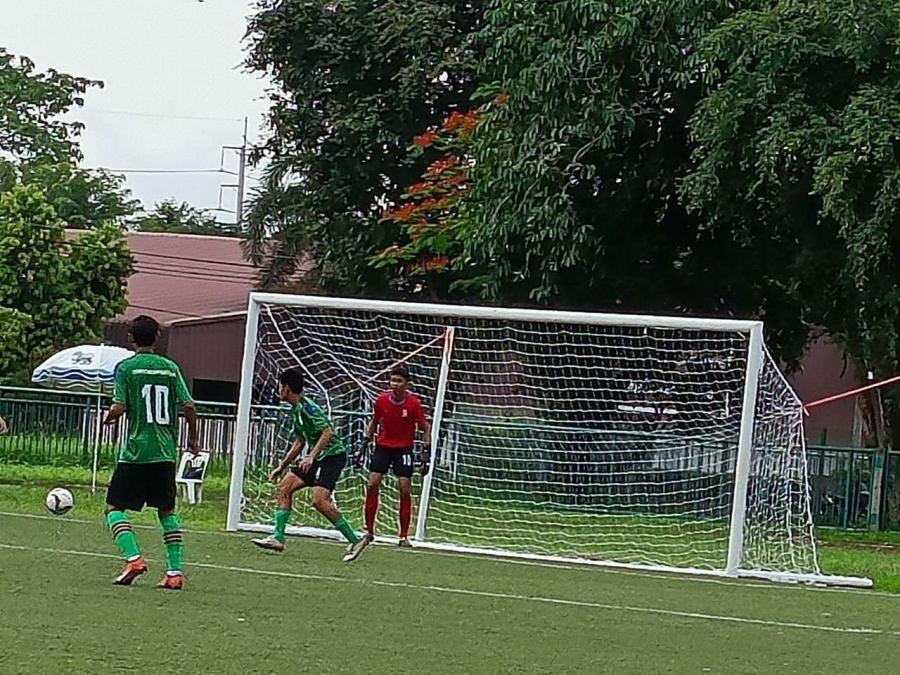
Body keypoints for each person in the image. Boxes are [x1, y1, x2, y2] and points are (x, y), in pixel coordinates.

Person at [103, 315, 199, 590]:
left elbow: (120, 406)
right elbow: (189, 406)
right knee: (167, 510)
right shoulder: (170, 368)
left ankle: (134, 559)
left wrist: (109, 417)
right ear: (157, 337)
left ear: (131, 338)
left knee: (113, 507)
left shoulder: (126, 368)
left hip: (136, 453)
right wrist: (193, 438)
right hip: (165, 453)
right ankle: (174, 573)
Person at [252, 368, 369, 562]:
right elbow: (300, 441)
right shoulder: (295, 410)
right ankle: (278, 538)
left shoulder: (308, 408)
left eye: (279, 386)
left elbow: (327, 432)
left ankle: (355, 540)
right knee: (284, 487)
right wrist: (282, 466)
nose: (278, 390)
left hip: (332, 456)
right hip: (317, 457)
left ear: (286, 388)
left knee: (318, 501)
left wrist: (311, 457)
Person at [364, 365, 430, 546]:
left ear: (406, 384)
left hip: (403, 449)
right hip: (383, 447)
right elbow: (374, 422)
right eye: (393, 380)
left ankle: (403, 535)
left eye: (399, 381)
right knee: (372, 484)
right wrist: (365, 441)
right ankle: (368, 530)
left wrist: (426, 452)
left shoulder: (413, 404)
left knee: (404, 488)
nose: (395, 384)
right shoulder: (381, 400)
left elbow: (425, 428)